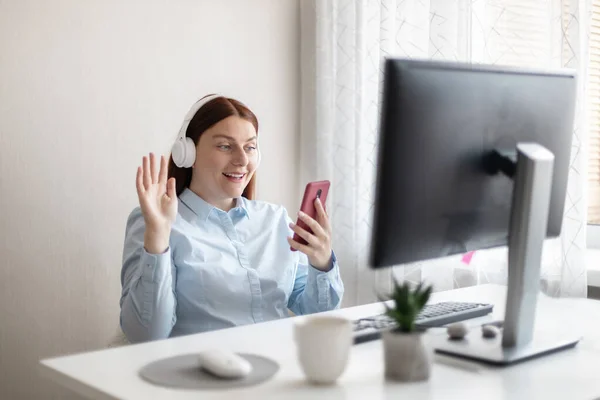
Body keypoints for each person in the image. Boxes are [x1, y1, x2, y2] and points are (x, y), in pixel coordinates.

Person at [119, 94, 344, 343]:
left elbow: (318, 315)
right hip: (203, 373)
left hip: (278, 367)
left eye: (250, 147)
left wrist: (321, 264)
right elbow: (145, 335)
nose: (242, 160)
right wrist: (158, 239)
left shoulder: (275, 220)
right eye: (225, 146)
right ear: (187, 153)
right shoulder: (153, 221)